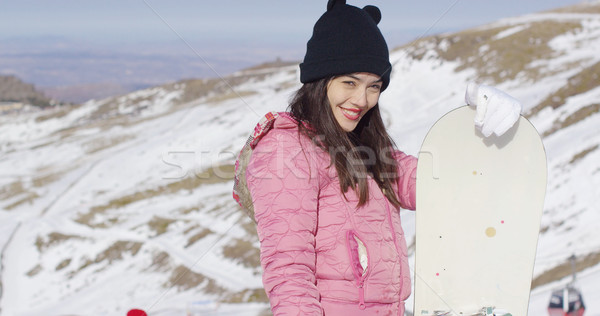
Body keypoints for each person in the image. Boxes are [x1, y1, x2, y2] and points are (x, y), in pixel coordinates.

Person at [232, 0, 521, 315]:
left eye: (374, 87)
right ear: (319, 80)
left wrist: (477, 132)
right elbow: (289, 272)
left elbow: (438, 185)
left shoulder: (367, 148)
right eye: (349, 83)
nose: (361, 99)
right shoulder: (287, 149)